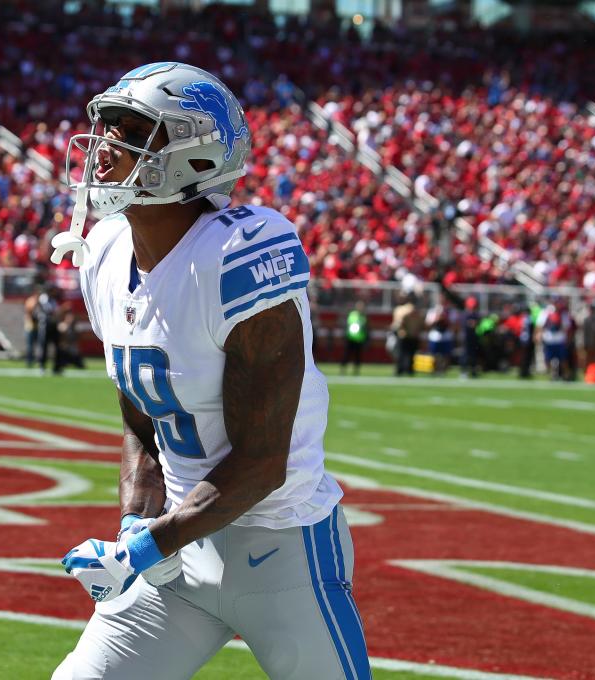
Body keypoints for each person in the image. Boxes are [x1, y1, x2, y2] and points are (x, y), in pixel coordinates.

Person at [49, 62, 369, 679]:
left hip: (284, 553)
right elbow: (144, 419)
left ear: (193, 155)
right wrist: (135, 528)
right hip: (176, 555)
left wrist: (148, 545)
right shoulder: (108, 253)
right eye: (106, 125)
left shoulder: (240, 252)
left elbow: (262, 462)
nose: (105, 144)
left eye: (131, 129)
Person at [391, 293, 424, 376]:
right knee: (410, 354)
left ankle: (401, 370)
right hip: (412, 335)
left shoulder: (402, 310)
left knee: (402, 354)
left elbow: (400, 323)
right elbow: (421, 324)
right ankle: (408, 370)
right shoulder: (417, 311)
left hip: (404, 335)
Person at [340, 300, 368, 375]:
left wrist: (365, 339)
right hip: (350, 338)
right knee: (347, 355)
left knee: (358, 356)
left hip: (359, 339)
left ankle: (356, 371)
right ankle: (343, 369)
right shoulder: (352, 314)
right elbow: (348, 325)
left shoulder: (363, 316)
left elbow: (365, 328)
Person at [23, 284, 41, 367]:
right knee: (30, 345)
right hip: (30, 326)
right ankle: (29, 361)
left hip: (38, 326)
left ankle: (37, 360)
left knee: (38, 345)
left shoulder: (40, 301)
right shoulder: (31, 301)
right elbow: (29, 312)